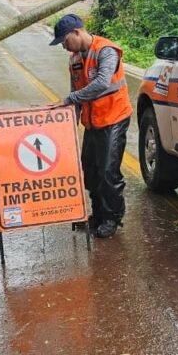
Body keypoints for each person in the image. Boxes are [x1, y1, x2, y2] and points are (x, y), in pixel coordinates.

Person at [49, 14, 132, 239]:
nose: (65, 47)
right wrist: (69, 126)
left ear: (77, 32)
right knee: (91, 171)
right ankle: (98, 214)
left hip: (114, 118)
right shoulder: (75, 60)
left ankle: (113, 217)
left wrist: (69, 99)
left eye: (65, 41)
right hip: (93, 121)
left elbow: (102, 83)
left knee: (107, 170)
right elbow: (76, 96)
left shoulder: (106, 50)